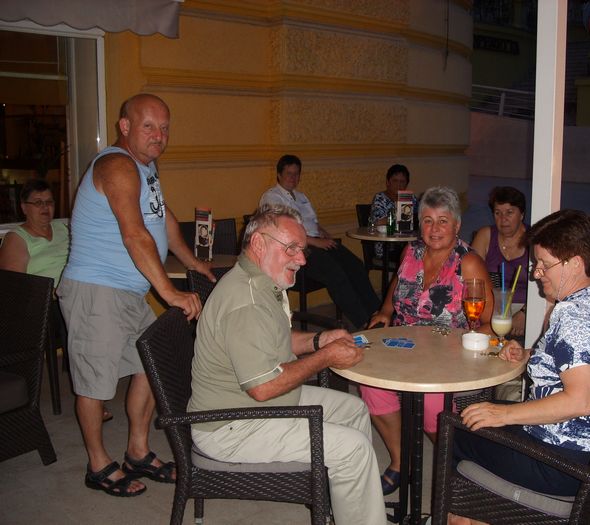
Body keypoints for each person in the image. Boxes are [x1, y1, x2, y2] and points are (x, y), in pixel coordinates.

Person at [57, 93, 214, 497]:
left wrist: (192, 262)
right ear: (124, 126)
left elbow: (164, 219)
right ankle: (97, 464)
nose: (159, 136)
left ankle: (138, 451)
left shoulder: (146, 167)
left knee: (151, 365)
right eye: (149, 126)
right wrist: (170, 292)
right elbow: (134, 234)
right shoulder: (117, 166)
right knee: (94, 384)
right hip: (96, 291)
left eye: (164, 128)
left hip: (128, 291)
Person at [189, 204, 387, 525]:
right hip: (231, 427)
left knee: (354, 410)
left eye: (303, 249)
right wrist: (325, 357)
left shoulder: (260, 281)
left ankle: (347, 508)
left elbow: (275, 341)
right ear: (259, 244)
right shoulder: (247, 302)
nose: (303, 260)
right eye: (291, 248)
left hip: (253, 406)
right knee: (354, 449)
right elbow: (264, 387)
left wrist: (320, 341)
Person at [447, 209, 590, 525]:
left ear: (575, 263)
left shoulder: (572, 316)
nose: (536, 273)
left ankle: (466, 515)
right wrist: (531, 354)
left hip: (563, 463)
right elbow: (580, 359)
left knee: (456, 430)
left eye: (545, 264)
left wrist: (502, 415)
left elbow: (580, 400)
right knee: (475, 416)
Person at [362, 186, 494, 495]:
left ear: (457, 225)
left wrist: (466, 345)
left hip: (447, 354)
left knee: (434, 404)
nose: (434, 229)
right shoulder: (412, 251)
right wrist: (385, 310)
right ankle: (401, 461)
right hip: (404, 345)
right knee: (372, 386)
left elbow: (489, 322)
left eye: (443, 221)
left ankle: (454, 464)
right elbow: (397, 284)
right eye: (428, 221)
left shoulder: (468, 263)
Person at [0, 179, 114, 422]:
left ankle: (100, 382)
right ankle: (94, 396)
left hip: (76, 294)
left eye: (49, 202)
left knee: (107, 305)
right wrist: (54, 292)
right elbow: (14, 290)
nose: (45, 207)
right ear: (24, 207)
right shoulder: (16, 238)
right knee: (88, 322)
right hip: (43, 307)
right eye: (38, 202)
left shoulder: (63, 229)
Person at [259, 154, 380, 329]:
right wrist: (315, 242)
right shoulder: (272, 197)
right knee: (335, 272)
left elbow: (312, 222)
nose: (293, 177)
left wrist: (323, 233)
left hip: (317, 242)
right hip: (295, 250)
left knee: (355, 265)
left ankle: (376, 313)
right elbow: (280, 232)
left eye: (296, 174)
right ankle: (363, 322)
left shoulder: (301, 196)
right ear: (279, 175)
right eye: (289, 173)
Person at [471, 186, 528, 337]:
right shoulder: (485, 235)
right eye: (498, 213)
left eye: (509, 212)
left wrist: (525, 313)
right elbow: (472, 280)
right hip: (492, 309)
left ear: (522, 214)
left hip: (524, 309)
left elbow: (544, 287)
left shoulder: (533, 239)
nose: (503, 219)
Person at [370, 164, 418, 258]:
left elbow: (419, 217)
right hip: (387, 247)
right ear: (388, 182)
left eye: (402, 182)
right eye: (395, 181)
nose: (399, 185)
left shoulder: (410, 198)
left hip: (408, 244)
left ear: (407, 184)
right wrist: (402, 216)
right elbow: (378, 222)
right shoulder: (380, 198)